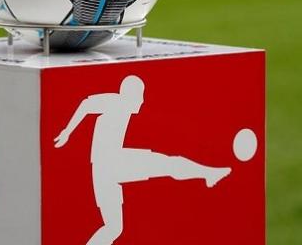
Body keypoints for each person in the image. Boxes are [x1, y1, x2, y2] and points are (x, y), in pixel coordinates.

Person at [54, 75, 231, 245]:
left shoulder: (120, 106)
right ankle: (208, 173)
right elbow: (86, 104)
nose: (142, 100)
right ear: (131, 95)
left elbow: (86, 105)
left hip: (102, 171)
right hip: (113, 161)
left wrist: (68, 132)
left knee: (114, 228)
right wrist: (67, 131)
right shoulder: (116, 102)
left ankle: (207, 174)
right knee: (168, 164)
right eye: (141, 95)